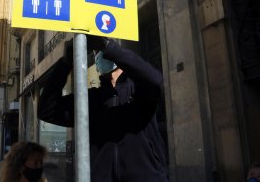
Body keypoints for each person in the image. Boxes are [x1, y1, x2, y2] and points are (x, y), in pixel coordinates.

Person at [38, 36, 168, 181]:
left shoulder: (139, 92)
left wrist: (110, 48)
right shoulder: (90, 100)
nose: (100, 55)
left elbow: (155, 80)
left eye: (102, 51)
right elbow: (47, 110)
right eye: (98, 53)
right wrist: (65, 63)